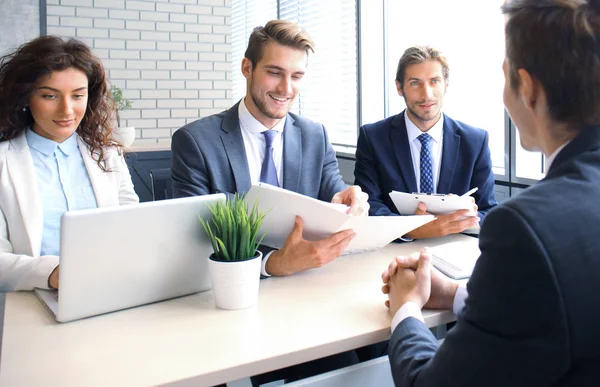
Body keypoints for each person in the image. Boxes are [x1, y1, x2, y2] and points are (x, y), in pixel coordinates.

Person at [382, 0, 600, 385]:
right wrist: (455, 296)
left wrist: (406, 307)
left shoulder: (526, 228)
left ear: (527, 87)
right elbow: (562, 307)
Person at [171, 19, 369, 278]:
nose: (286, 89)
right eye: (274, 73)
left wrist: (348, 200)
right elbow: (194, 239)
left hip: (307, 287)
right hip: (228, 291)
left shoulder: (315, 136)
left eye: (296, 76)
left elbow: (334, 194)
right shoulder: (195, 142)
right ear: (247, 68)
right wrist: (271, 263)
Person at [0, 36, 139, 293]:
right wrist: (52, 273)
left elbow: (132, 225)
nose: (66, 110)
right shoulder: (3, 163)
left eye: (77, 96)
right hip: (33, 299)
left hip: (110, 288)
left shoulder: (108, 154)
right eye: (49, 96)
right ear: (26, 97)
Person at [354, 46, 497, 240]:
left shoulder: (475, 141)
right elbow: (368, 205)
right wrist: (412, 229)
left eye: (434, 81)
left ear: (446, 84)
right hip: (395, 251)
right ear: (399, 87)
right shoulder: (373, 137)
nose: (426, 94)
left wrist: (464, 217)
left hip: (456, 250)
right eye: (415, 83)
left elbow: (488, 210)